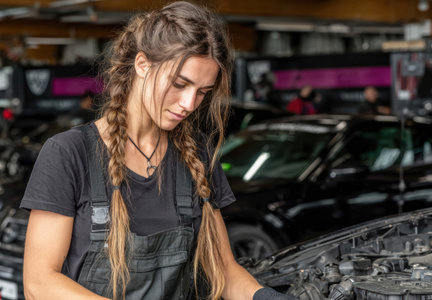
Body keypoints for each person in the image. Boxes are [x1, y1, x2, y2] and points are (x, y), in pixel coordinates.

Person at [21, 2, 295, 300]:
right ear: (142, 65)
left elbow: (224, 271)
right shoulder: (68, 153)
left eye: (203, 92)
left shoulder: (198, 154)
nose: (190, 104)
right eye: (180, 84)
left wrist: (265, 296)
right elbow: (39, 283)